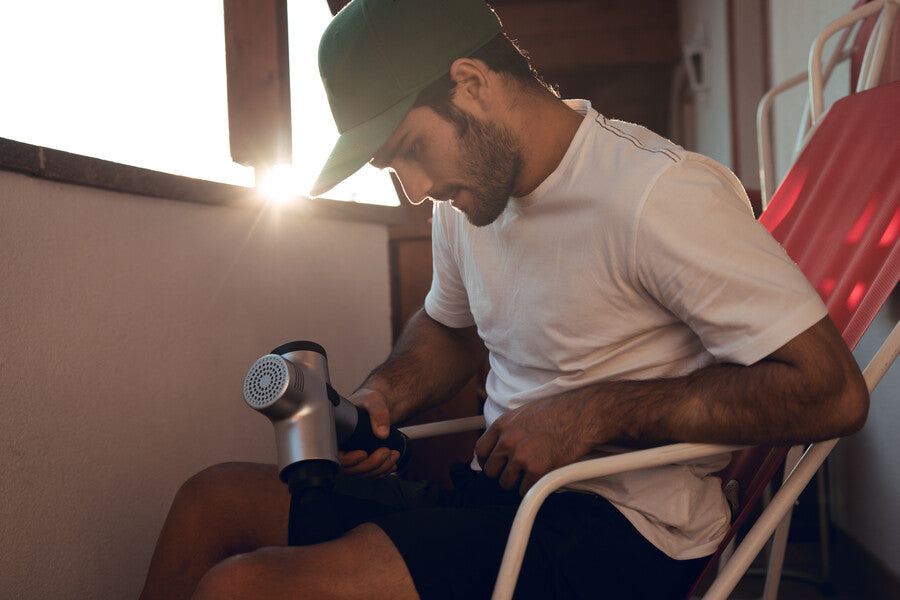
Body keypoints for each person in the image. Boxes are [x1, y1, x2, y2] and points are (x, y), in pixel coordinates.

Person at [140, 1, 869, 599]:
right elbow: (449, 330)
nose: (414, 190)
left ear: (471, 82)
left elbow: (832, 392)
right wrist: (382, 392)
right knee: (210, 502)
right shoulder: (468, 206)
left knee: (242, 588)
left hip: (620, 533)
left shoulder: (658, 194)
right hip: (498, 500)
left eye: (410, 149)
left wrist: (592, 413)